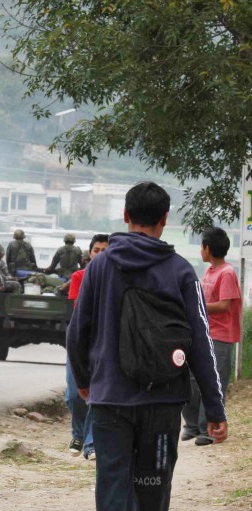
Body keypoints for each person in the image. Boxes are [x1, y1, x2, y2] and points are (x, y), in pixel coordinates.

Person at [66, 182, 227, 511]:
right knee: (153, 491)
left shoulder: (98, 267)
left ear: (125, 215)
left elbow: (76, 333)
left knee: (112, 486)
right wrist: (214, 408)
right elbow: (200, 341)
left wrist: (84, 382)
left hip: (110, 399)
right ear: (165, 219)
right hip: (163, 402)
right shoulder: (181, 271)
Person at [181, 226, 242, 446]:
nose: (200, 250)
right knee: (192, 379)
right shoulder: (209, 271)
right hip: (205, 332)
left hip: (221, 335)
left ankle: (209, 429)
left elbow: (225, 305)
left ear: (207, 248)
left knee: (214, 382)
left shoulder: (227, 273)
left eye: (201, 246)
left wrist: (198, 307)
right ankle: (192, 425)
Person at [65, 233, 109, 461]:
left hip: (104, 342)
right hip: (81, 340)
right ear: (89, 254)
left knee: (96, 394)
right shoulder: (79, 277)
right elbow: (79, 311)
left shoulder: (114, 278)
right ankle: (78, 433)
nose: (100, 254)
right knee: (74, 395)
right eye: (96, 250)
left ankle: (91, 443)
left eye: (104, 250)